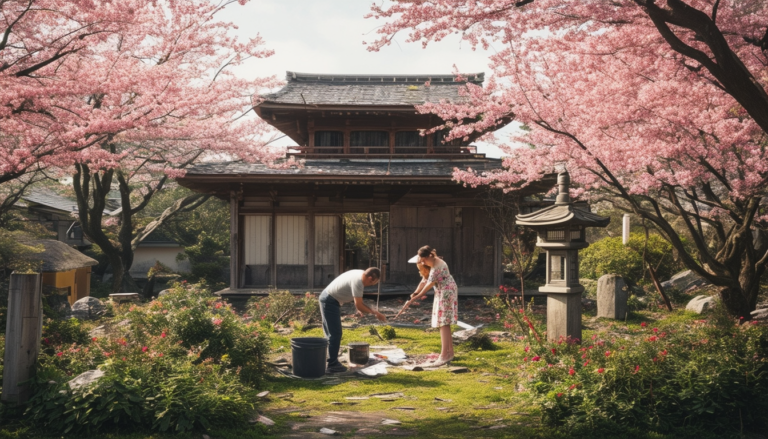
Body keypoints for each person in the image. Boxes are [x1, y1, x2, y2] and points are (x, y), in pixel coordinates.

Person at [319, 267, 387, 373]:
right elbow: (359, 305)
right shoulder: (359, 282)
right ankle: (332, 364)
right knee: (335, 334)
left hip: (329, 298)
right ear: (370, 278)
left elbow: (352, 295)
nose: (370, 285)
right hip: (329, 301)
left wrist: (360, 308)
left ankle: (328, 360)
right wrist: (376, 313)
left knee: (331, 334)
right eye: (373, 283)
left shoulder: (360, 273)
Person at [408, 245, 457, 367]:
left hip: (446, 292)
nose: (423, 263)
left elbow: (428, 285)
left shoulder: (437, 267)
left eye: (423, 260)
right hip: (444, 291)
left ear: (429, 256)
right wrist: (415, 293)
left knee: (443, 323)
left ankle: (444, 356)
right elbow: (424, 280)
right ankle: (450, 353)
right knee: (444, 322)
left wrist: (416, 297)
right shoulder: (434, 262)